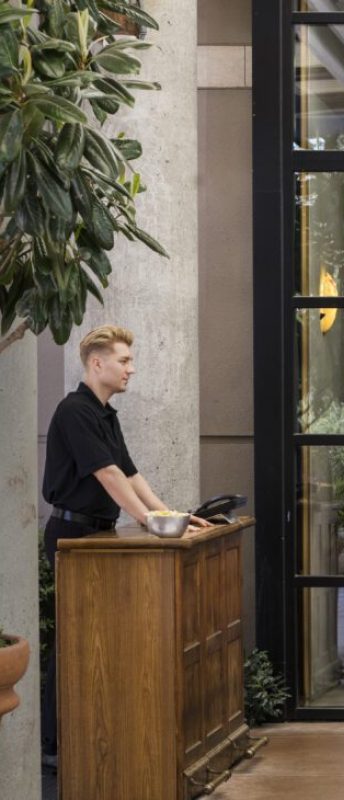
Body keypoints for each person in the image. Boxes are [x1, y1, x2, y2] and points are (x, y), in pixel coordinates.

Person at [40, 324, 211, 766]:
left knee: (94, 639)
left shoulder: (105, 414)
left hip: (96, 534)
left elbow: (131, 474)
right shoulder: (75, 411)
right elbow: (108, 476)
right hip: (73, 537)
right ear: (97, 364)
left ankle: (90, 731)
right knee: (73, 641)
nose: (130, 369)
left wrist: (172, 514)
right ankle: (57, 744)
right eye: (124, 361)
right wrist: (151, 523)